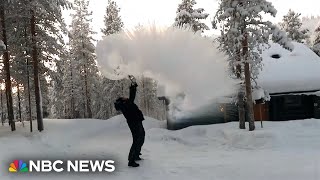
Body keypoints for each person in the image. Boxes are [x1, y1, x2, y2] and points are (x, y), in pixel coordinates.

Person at [114, 76, 145, 167]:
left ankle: (136, 154)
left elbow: (131, 98)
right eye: (123, 97)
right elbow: (132, 97)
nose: (125, 97)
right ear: (121, 100)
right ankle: (131, 160)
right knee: (136, 140)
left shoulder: (126, 104)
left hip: (137, 121)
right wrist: (133, 86)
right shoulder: (125, 105)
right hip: (134, 123)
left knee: (142, 136)